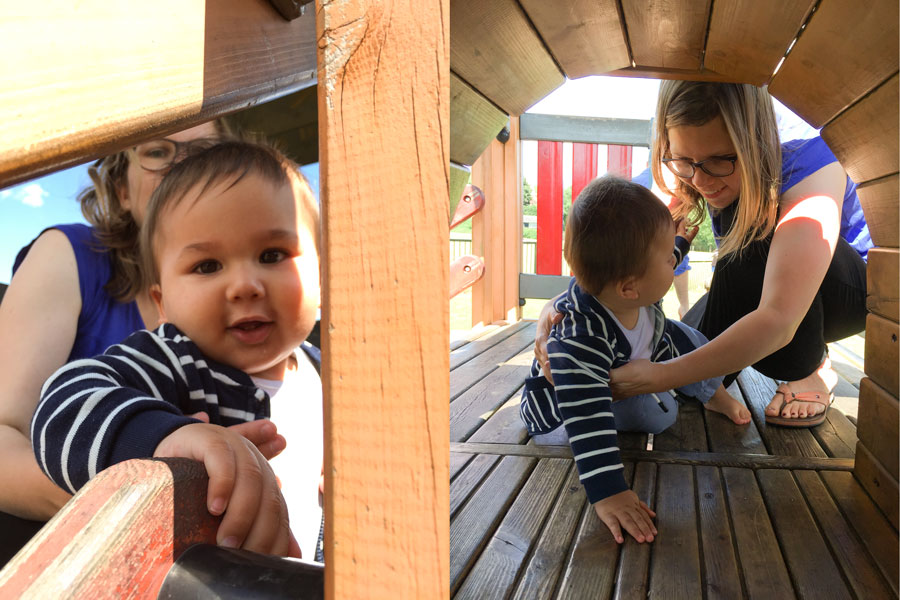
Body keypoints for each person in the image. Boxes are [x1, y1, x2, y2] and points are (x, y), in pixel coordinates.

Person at [0, 122, 295, 565]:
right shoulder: (167, 351)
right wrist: (168, 485)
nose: (185, 162)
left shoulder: (307, 361)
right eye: (159, 150)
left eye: (205, 150)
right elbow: (44, 411)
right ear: (121, 187)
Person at [536, 81, 870, 428]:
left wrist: (657, 377)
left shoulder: (804, 155)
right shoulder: (686, 159)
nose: (700, 179)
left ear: (753, 143)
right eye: (683, 161)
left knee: (751, 222)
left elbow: (780, 318)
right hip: (759, 275)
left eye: (719, 161)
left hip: (843, 293)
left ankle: (809, 369)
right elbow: (620, 243)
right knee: (679, 356)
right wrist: (563, 308)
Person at [520, 176, 750, 545]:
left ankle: (713, 393)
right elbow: (587, 417)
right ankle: (692, 395)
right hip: (572, 408)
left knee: (680, 335)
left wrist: (680, 239)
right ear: (630, 287)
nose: (674, 260)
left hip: (626, 369)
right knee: (661, 417)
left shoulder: (627, 290)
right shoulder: (582, 337)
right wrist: (608, 491)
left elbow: (669, 250)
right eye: (667, 259)